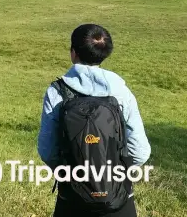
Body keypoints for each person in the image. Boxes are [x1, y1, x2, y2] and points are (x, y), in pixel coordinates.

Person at [37, 24, 151, 217]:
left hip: (71, 198)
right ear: (104, 53)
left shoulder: (57, 92)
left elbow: (47, 151)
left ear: (73, 53)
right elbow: (140, 151)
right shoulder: (120, 91)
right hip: (118, 199)